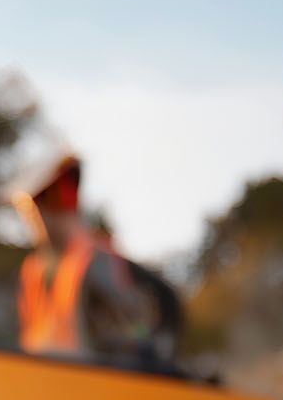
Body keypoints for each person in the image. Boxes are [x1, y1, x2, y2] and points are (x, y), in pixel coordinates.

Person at [12, 154, 168, 366]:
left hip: (87, 387)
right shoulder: (33, 271)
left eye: (33, 207)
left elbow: (134, 332)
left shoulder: (93, 260)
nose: (34, 217)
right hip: (42, 385)